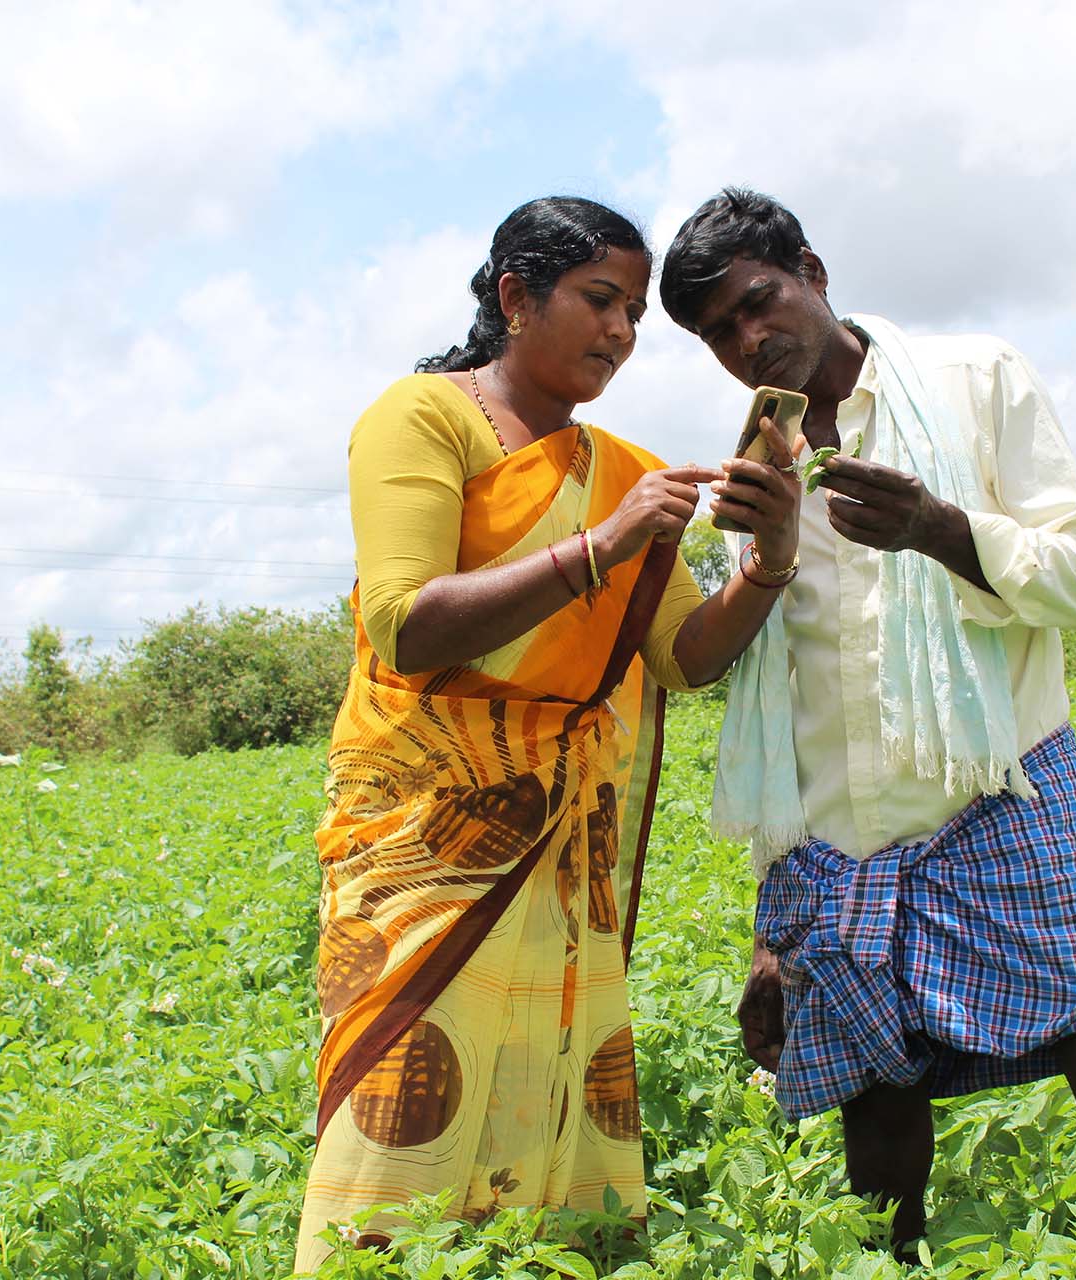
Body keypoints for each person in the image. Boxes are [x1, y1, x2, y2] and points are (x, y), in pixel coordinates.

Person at [658, 188, 1076, 1276]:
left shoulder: (977, 381)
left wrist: (937, 527)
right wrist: (772, 931)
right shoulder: (761, 464)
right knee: (881, 1160)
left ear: (813, 272)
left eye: (759, 300)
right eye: (719, 332)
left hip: (1001, 802)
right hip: (840, 849)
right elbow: (783, 700)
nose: (749, 340)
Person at [294, 195, 803, 1272]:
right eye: (600, 300)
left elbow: (684, 656)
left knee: (541, 1078)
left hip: (563, 828)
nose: (620, 331)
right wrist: (602, 547)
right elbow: (405, 623)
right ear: (517, 297)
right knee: (399, 1079)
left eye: (634, 315)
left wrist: (770, 557)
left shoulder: (623, 469)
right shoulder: (423, 417)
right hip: (424, 822)